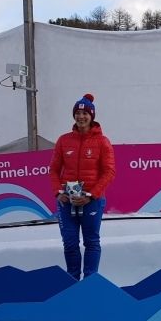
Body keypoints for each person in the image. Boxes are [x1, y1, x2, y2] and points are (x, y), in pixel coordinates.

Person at [49, 93, 116, 280]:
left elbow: (109, 172)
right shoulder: (64, 140)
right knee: (70, 243)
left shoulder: (102, 142)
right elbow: (53, 170)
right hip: (67, 201)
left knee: (91, 242)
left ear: (91, 116)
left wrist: (91, 195)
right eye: (77, 113)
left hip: (92, 201)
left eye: (85, 113)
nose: (81, 117)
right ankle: (72, 282)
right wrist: (58, 192)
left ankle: (90, 282)